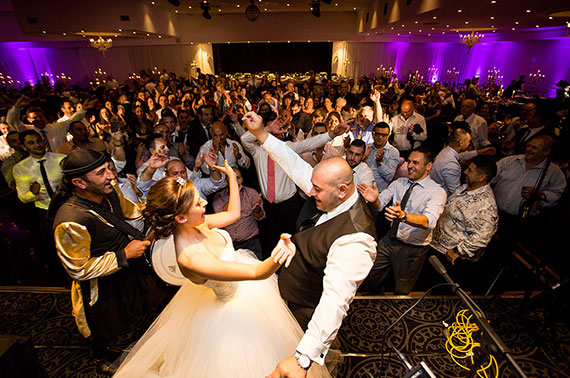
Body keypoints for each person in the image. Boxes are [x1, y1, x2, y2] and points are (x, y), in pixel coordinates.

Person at [114, 162, 330, 378]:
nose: (205, 202)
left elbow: (234, 213)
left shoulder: (195, 224)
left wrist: (230, 178)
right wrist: (281, 252)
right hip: (233, 306)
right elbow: (258, 274)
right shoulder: (191, 258)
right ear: (180, 217)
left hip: (249, 291)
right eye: (198, 203)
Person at [242, 112, 376, 378]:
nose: (309, 191)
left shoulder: (358, 238)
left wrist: (303, 359)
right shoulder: (327, 190)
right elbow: (293, 163)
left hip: (309, 309)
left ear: (341, 190)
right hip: (291, 293)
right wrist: (261, 134)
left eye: (316, 189)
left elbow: (335, 301)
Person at [51, 149, 169, 373]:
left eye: (109, 169)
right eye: (101, 172)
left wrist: (160, 207)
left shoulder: (109, 190)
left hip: (127, 266)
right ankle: (102, 357)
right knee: (105, 325)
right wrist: (123, 255)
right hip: (101, 283)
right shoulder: (70, 221)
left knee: (149, 299)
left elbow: (131, 212)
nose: (112, 176)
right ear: (79, 182)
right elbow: (78, 269)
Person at [360, 146, 447, 295]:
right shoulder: (399, 183)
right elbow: (380, 204)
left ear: (429, 166)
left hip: (413, 248)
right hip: (390, 240)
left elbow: (429, 221)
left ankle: (397, 314)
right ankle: (377, 301)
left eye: (415, 163)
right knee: (370, 275)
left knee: (402, 289)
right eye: (409, 161)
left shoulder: (436, 192)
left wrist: (403, 216)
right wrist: (374, 200)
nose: (410, 166)